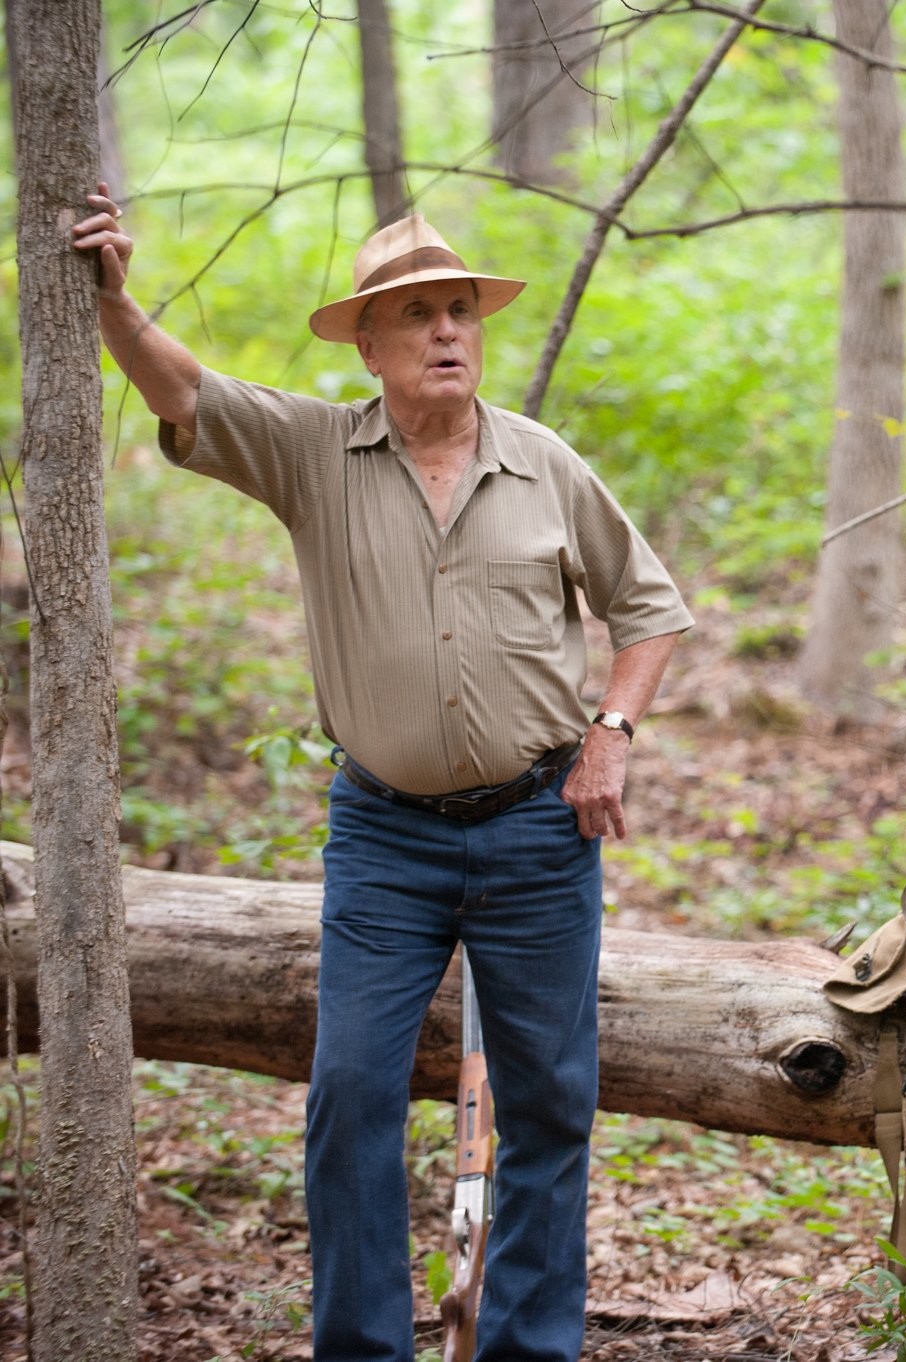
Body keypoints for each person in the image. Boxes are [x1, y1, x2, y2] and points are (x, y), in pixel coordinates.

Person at [72, 193, 693, 1362]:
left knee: (551, 1105)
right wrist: (112, 299)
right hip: (385, 839)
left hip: (537, 831)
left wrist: (611, 730)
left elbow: (649, 608)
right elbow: (182, 389)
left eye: (460, 310)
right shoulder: (315, 453)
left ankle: (527, 1350)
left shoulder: (543, 464)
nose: (446, 332)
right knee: (351, 1094)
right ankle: (362, 1349)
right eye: (415, 316)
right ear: (368, 344)